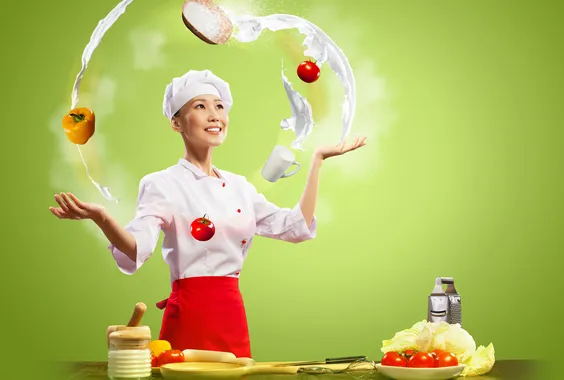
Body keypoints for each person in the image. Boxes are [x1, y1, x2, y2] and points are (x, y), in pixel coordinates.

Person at [49, 69, 366, 358]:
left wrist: (318, 161)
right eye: (200, 106)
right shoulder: (162, 184)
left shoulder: (240, 187)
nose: (214, 115)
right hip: (189, 315)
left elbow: (293, 226)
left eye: (219, 106)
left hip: (231, 314)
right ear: (177, 123)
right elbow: (137, 248)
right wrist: (103, 218)